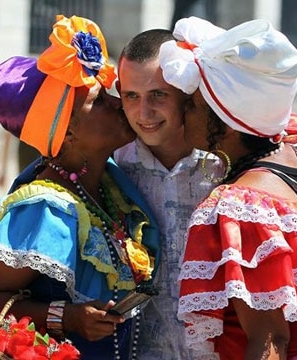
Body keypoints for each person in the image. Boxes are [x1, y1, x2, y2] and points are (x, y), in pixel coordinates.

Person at [159, 16, 297, 359]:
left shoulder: (240, 206)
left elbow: (271, 341)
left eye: (193, 105)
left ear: (225, 119)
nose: (183, 114)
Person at [0, 15, 160, 360]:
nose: (117, 102)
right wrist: (70, 317)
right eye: (99, 101)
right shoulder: (45, 207)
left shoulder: (110, 188)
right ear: (66, 133)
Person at [113, 29, 220, 359]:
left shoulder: (225, 164)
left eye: (158, 95)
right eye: (131, 96)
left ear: (186, 92)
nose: (143, 114)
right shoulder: (114, 166)